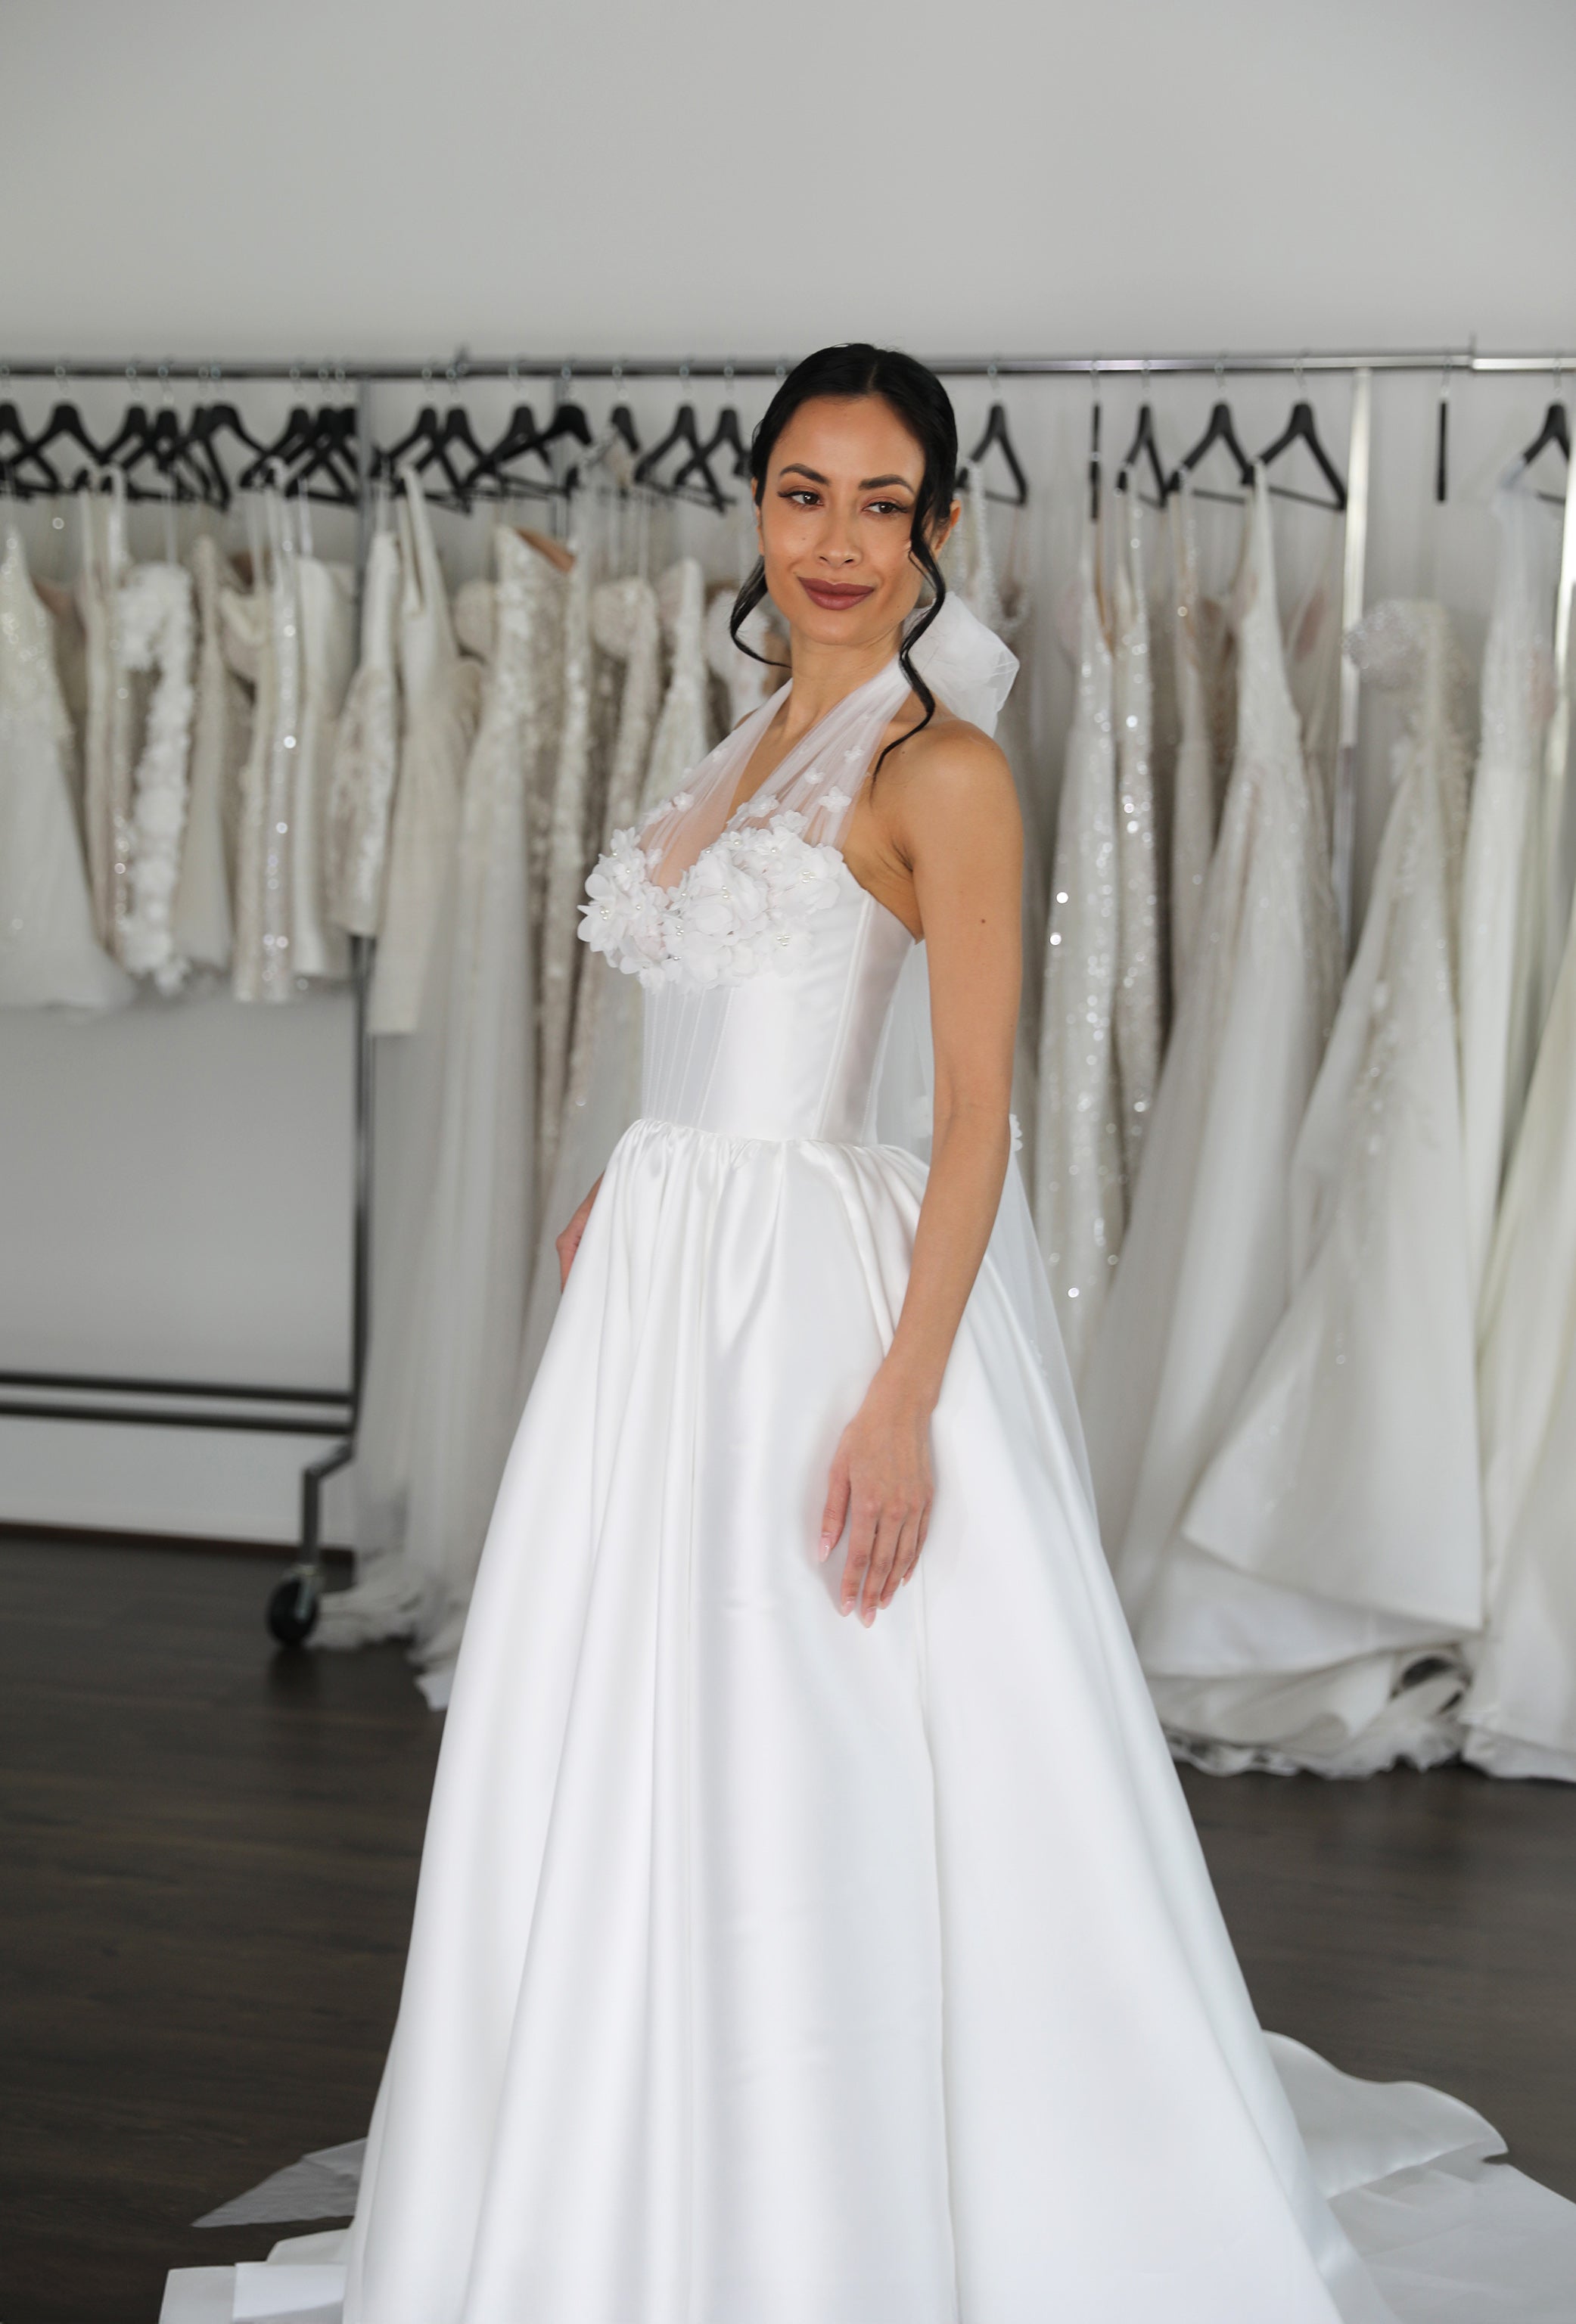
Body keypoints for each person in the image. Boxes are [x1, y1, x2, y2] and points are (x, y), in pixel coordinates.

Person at [334, 348, 1558, 2324]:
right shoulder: (735, 740)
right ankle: (613, 2130)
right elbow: (702, 1018)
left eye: (879, 503)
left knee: (800, 1712)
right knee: (620, 1712)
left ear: (938, 530)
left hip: (804, 1302)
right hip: (665, 1287)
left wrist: (898, 1407)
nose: (835, 542)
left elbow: (974, 1118)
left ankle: (821, 2180)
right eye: (803, 495)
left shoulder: (943, 772)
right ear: (755, 508)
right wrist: (628, 1180)